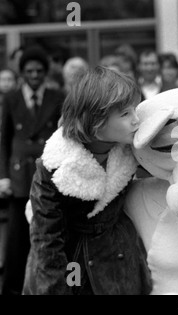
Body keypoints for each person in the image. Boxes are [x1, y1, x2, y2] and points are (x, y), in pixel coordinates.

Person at [22, 66, 152, 295]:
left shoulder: (133, 149)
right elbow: (47, 242)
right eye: (125, 114)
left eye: (134, 109)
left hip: (119, 261)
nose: (136, 120)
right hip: (69, 260)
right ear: (96, 121)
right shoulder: (53, 166)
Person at [0, 46, 66, 295]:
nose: (35, 75)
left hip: (46, 172)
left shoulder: (56, 96)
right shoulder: (11, 98)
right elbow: (5, 139)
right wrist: (3, 176)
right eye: (29, 71)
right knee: (16, 241)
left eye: (39, 71)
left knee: (49, 234)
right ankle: (12, 289)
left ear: (45, 72)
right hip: (18, 178)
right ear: (22, 73)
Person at [0, 68, 18, 273]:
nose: (5, 83)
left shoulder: (14, 103)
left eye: (9, 79)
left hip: (10, 168)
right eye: (1, 79)